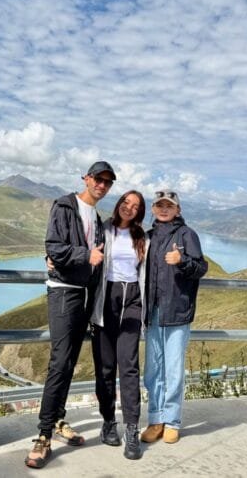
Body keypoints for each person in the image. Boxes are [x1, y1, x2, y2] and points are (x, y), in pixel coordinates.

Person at [25, 161, 116, 469]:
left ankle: (59, 419)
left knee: (71, 360)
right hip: (64, 291)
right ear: (86, 178)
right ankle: (43, 435)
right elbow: (53, 246)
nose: (102, 185)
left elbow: (94, 260)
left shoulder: (99, 219)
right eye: (98, 179)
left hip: (85, 294)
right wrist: (83, 255)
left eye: (108, 182)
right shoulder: (65, 207)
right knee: (60, 361)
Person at [140, 189, 208, 445]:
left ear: (178, 210)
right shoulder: (147, 237)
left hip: (177, 313)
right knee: (153, 370)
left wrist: (181, 261)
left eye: (169, 205)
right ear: (154, 209)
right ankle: (155, 420)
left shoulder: (186, 234)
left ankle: (172, 422)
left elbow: (200, 268)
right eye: (159, 205)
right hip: (153, 313)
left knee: (174, 370)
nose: (164, 209)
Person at [90, 190, 148, 460]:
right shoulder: (103, 229)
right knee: (105, 366)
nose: (129, 208)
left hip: (132, 300)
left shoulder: (142, 238)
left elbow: (149, 272)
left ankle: (132, 430)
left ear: (139, 212)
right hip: (106, 299)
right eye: (126, 202)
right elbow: (84, 251)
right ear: (119, 204)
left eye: (135, 206)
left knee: (129, 366)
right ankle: (108, 422)